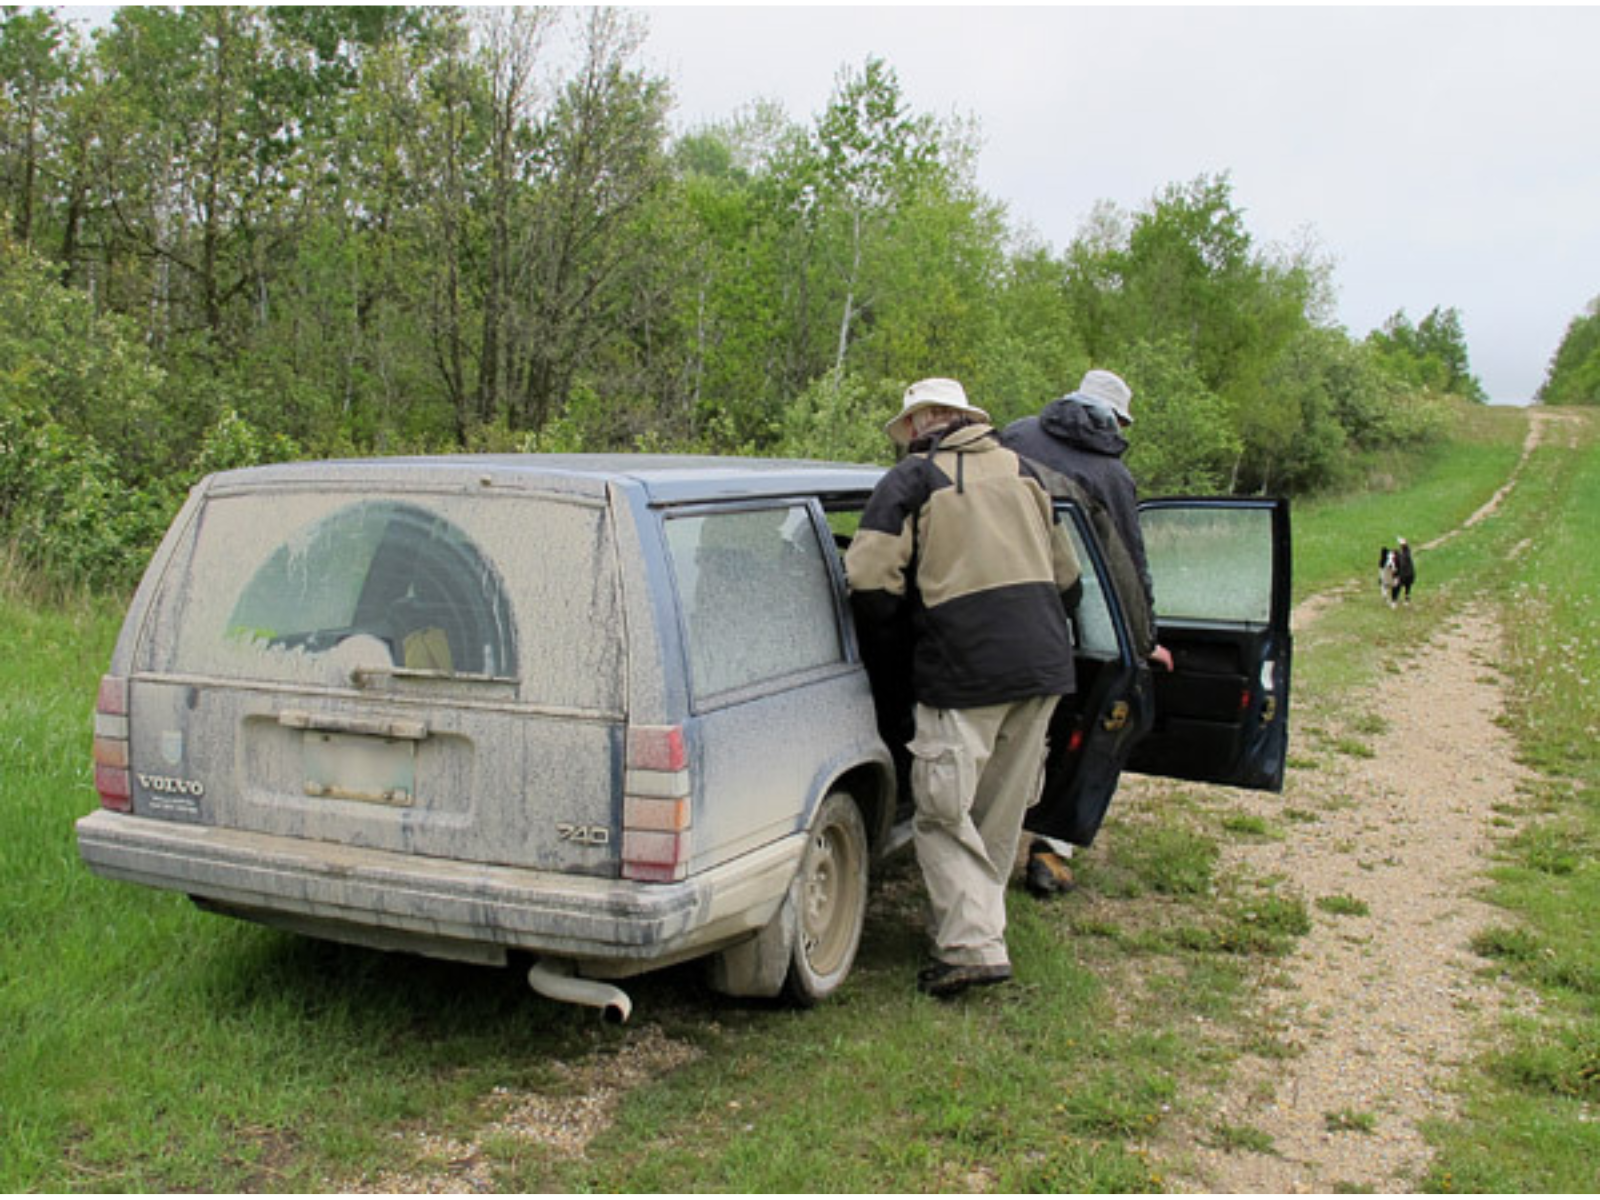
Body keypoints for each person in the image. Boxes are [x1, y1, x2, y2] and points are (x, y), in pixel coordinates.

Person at [845, 377, 1082, 998]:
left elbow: (867, 580)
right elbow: (1069, 578)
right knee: (996, 815)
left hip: (963, 670)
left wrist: (895, 648)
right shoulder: (1028, 473)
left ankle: (971, 948)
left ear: (921, 421)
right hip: (1043, 667)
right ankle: (973, 928)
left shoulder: (912, 480)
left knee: (942, 813)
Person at [1001, 368, 1172, 898]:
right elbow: (1126, 561)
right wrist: (1145, 640)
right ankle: (1050, 848)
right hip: (1069, 616)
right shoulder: (1111, 474)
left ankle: (990, 835)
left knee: (1002, 728)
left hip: (993, 605)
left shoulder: (1013, 436)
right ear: (1116, 419)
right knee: (1089, 724)